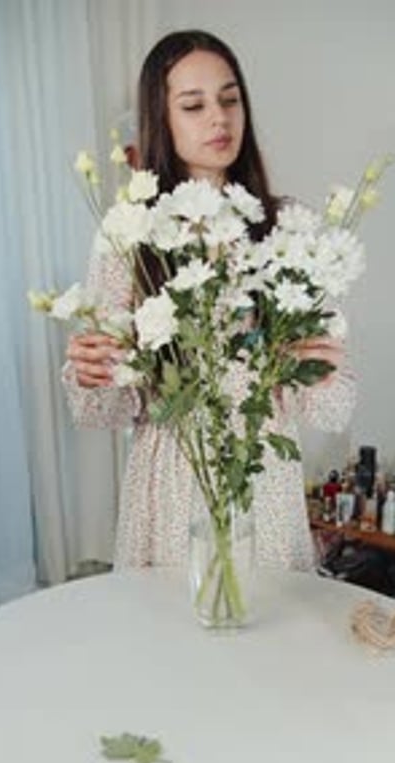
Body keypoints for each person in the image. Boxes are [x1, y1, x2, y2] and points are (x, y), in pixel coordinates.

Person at [63, 29, 356, 571]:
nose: (219, 118)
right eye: (194, 105)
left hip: (263, 479)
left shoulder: (288, 228)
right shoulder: (129, 232)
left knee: (265, 643)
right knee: (171, 645)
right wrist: (92, 372)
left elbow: (332, 411)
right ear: (161, 118)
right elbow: (102, 410)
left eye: (230, 98)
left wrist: (324, 372)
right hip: (170, 484)